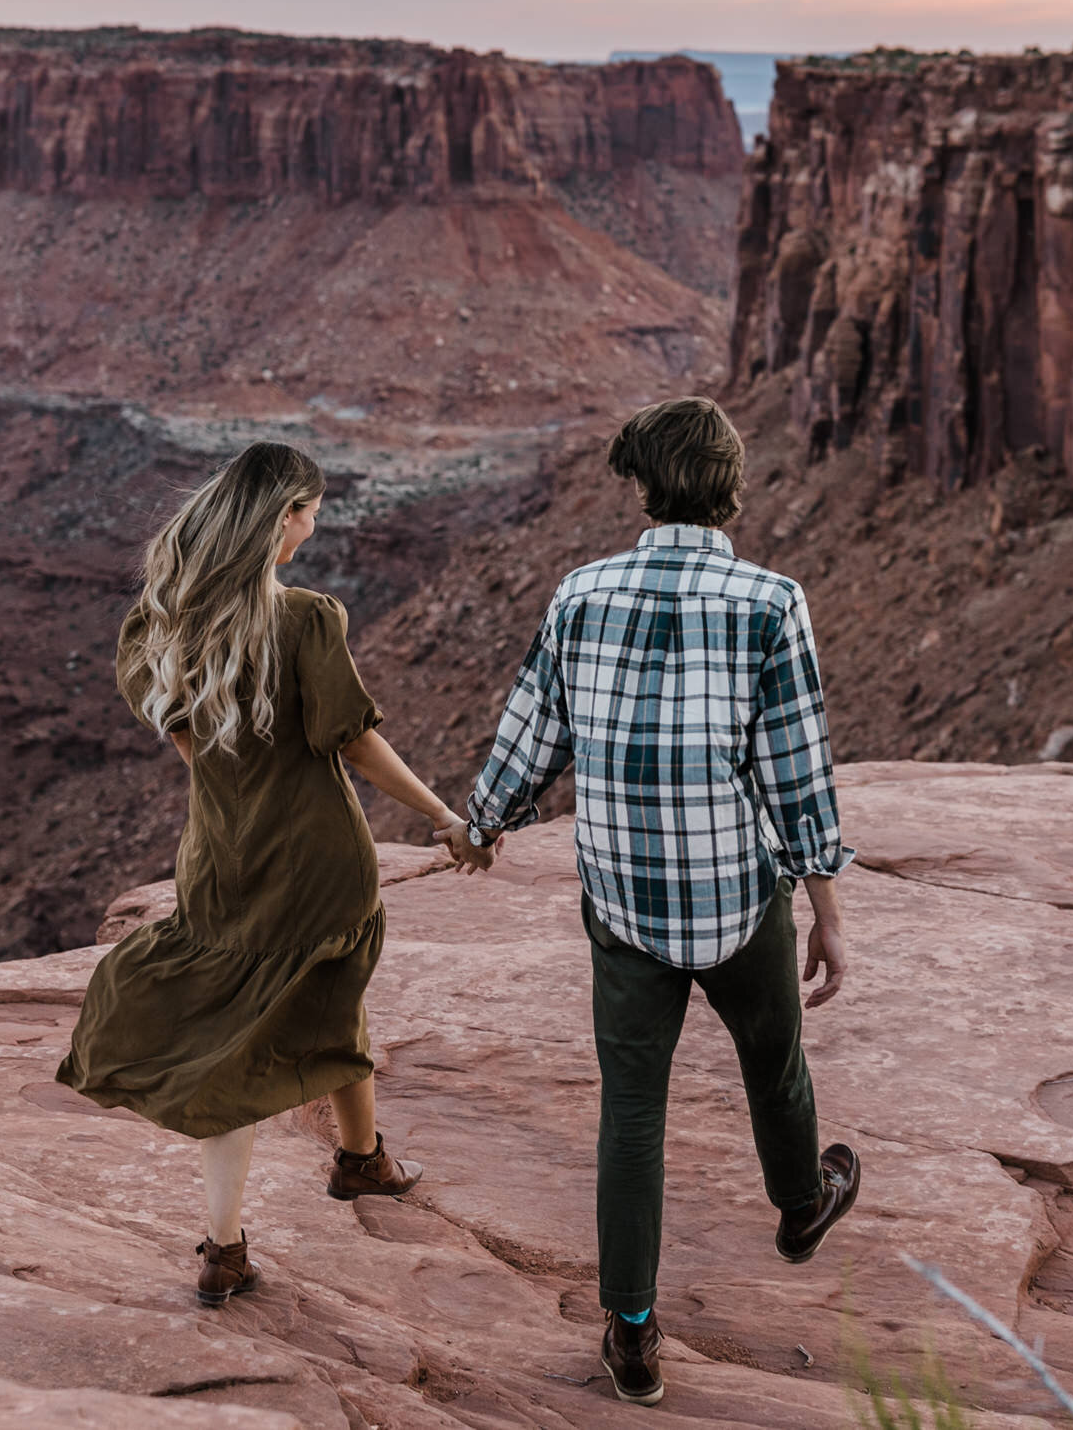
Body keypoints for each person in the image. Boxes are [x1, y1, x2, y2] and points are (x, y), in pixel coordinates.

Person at [446, 396, 861, 1407]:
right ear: (729, 485)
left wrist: (482, 820)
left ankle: (631, 1329)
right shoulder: (770, 599)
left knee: (631, 1112)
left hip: (623, 899)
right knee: (774, 1058)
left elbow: (530, 730)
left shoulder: (579, 591)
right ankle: (802, 1204)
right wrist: (825, 906)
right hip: (735, 892)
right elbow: (796, 768)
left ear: (643, 483)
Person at [59, 440, 485, 1307]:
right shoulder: (305, 620)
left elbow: (187, 743)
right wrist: (443, 816)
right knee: (284, 1018)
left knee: (322, 987)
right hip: (318, 853)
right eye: (308, 517)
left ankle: (322, 1184)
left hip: (221, 854)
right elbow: (353, 740)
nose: (308, 533)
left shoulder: (162, 622)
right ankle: (300, 1198)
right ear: (283, 514)